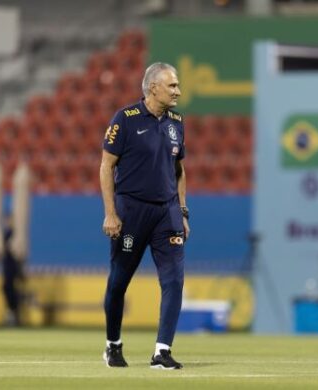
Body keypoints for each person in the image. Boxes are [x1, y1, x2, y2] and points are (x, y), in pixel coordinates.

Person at [100, 62, 190, 369]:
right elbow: (106, 166)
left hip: (166, 213)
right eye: (173, 86)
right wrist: (110, 213)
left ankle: (161, 352)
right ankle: (113, 345)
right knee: (118, 282)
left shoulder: (177, 122)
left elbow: (179, 170)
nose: (178, 91)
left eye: (177, 85)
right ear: (153, 88)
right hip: (131, 211)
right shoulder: (125, 120)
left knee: (174, 279)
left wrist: (183, 211)